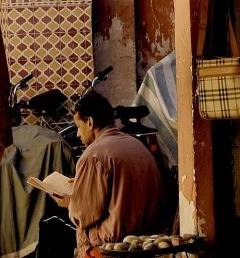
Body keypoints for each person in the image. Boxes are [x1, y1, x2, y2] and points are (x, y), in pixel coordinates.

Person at [50, 92, 165, 256]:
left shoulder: (92, 155)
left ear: (90, 122)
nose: (77, 134)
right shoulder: (137, 145)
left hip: (112, 246)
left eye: (78, 126)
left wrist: (70, 202)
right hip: (148, 242)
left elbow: (84, 215)